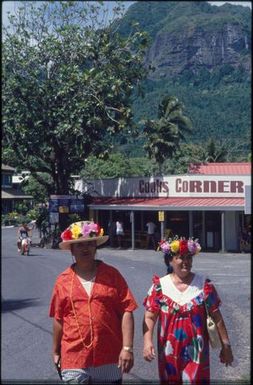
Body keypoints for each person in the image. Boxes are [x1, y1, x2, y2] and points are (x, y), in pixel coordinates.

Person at [49, 220, 137, 384]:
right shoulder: (62, 281)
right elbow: (58, 318)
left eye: (90, 244)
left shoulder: (112, 275)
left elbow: (127, 310)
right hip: (73, 356)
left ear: (96, 247)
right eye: (80, 244)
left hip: (109, 355)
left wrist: (127, 348)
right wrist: (55, 350)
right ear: (72, 250)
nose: (85, 248)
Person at [143, 236, 233, 384]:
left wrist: (226, 346)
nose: (186, 262)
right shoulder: (159, 287)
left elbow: (217, 317)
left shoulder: (203, 285)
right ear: (170, 261)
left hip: (197, 355)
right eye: (180, 258)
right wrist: (147, 342)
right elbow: (150, 317)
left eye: (189, 258)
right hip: (168, 354)